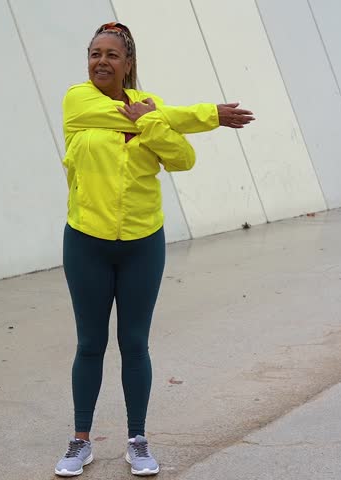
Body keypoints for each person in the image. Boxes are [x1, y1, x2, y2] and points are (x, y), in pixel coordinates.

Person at [54, 22, 255, 477]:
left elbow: (183, 159)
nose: (100, 61)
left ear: (129, 64)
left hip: (143, 243)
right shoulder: (77, 99)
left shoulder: (153, 110)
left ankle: (137, 439)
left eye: (111, 55)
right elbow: (145, 124)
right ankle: (80, 440)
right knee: (90, 343)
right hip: (86, 240)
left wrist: (149, 119)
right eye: (94, 53)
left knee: (134, 343)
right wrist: (202, 115)